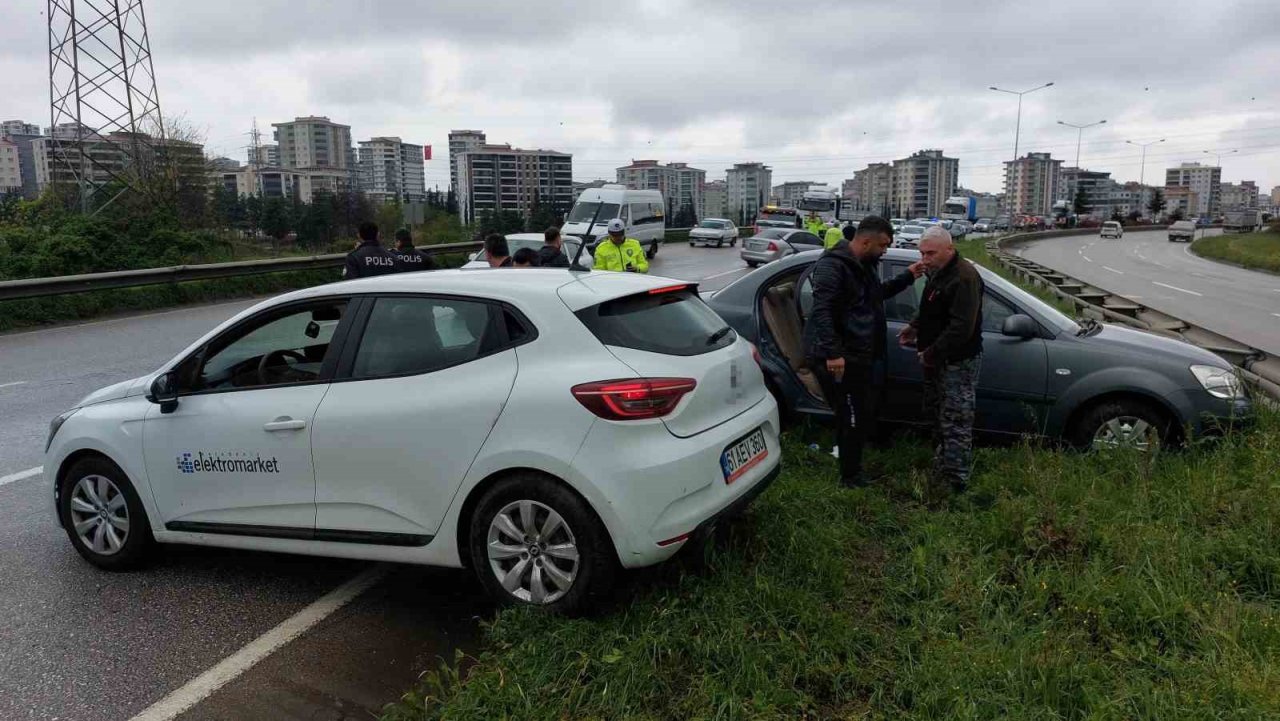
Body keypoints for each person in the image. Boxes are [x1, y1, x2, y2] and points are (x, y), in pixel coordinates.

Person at [801, 216, 924, 487]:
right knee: (851, 415)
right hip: (837, 356)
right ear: (865, 240)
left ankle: (853, 465)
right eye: (882, 245)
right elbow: (821, 311)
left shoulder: (863, 265)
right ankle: (850, 477)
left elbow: (874, 295)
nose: (885, 251)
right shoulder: (833, 266)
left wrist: (908, 276)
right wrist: (833, 354)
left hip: (858, 353)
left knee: (860, 412)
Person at [897, 227, 984, 491]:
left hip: (957, 361)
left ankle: (956, 480)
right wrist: (915, 326)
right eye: (922, 253)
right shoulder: (937, 272)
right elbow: (931, 307)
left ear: (949, 249)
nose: (925, 258)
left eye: (931, 253)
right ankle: (942, 465)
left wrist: (930, 353)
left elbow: (960, 328)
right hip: (936, 360)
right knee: (937, 414)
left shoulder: (964, 277)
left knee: (956, 420)